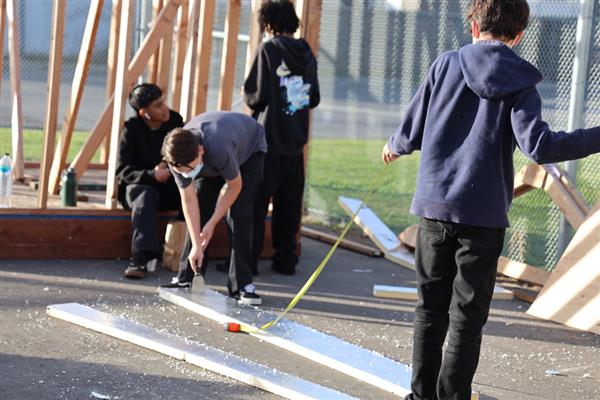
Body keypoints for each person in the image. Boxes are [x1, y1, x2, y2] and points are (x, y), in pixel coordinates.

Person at [381, 1, 600, 399]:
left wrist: (393, 145)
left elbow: (410, 132)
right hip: (484, 219)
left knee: (429, 310)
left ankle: (420, 395)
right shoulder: (521, 82)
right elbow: (540, 146)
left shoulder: (443, 65)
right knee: (467, 318)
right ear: (518, 35)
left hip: (434, 208)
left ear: (473, 25)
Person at [243, 0, 320, 276]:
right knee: (288, 207)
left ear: (268, 24)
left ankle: (247, 262)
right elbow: (312, 98)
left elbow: (255, 95)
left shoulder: (269, 50)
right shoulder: (306, 51)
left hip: (267, 140)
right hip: (295, 141)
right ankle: (285, 260)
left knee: (255, 203)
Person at [160, 111, 267, 306]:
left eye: (190, 170)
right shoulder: (175, 154)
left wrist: (212, 223)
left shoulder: (219, 146)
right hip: (214, 156)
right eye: (182, 171)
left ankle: (242, 285)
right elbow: (189, 201)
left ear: (200, 151)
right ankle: (187, 277)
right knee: (200, 205)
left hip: (249, 148)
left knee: (239, 213)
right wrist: (196, 243)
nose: (187, 174)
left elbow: (235, 186)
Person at [116, 83, 183, 279]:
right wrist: (152, 175)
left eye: (163, 103)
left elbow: (187, 151)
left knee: (196, 190)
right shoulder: (132, 130)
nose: (165, 109)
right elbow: (122, 170)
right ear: (144, 113)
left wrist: (167, 164)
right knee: (144, 194)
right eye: (158, 106)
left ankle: (187, 252)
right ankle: (140, 258)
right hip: (142, 189)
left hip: (170, 186)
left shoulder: (175, 121)